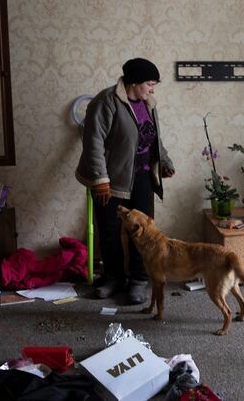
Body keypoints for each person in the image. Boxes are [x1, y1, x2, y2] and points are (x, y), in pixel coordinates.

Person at [76, 58, 175, 304]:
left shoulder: (148, 104)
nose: (152, 89)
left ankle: (139, 281)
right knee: (109, 230)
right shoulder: (106, 101)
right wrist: (100, 180)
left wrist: (164, 161)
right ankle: (113, 278)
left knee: (143, 232)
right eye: (150, 84)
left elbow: (153, 138)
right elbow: (93, 143)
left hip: (141, 176)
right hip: (110, 179)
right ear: (134, 82)